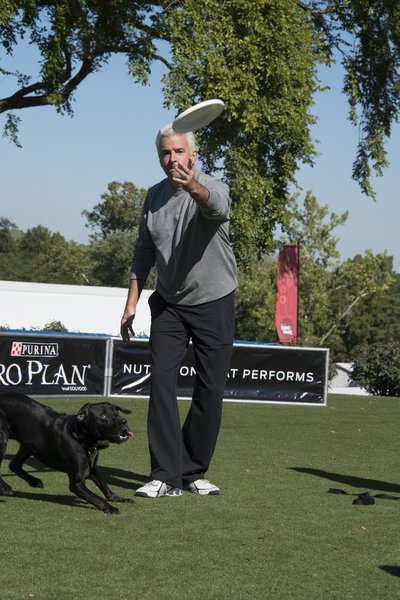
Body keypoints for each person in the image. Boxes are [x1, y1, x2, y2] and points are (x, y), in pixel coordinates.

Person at [120, 124, 237, 498]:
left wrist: (192, 188)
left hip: (214, 299)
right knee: (162, 383)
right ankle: (164, 474)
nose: (172, 159)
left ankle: (192, 470)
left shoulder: (213, 187)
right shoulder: (153, 197)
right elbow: (143, 250)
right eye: (165, 153)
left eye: (178, 152)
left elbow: (215, 208)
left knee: (210, 390)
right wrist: (132, 301)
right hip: (169, 304)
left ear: (193, 155)